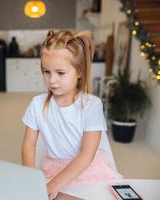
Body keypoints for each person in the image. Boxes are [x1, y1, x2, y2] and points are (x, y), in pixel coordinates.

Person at [21, 30, 122, 200]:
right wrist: (31, 179)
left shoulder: (91, 105)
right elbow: (28, 146)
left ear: (80, 72)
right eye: (46, 72)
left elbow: (86, 156)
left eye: (60, 73)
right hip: (53, 169)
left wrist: (55, 184)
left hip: (86, 170)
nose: (52, 80)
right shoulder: (37, 105)